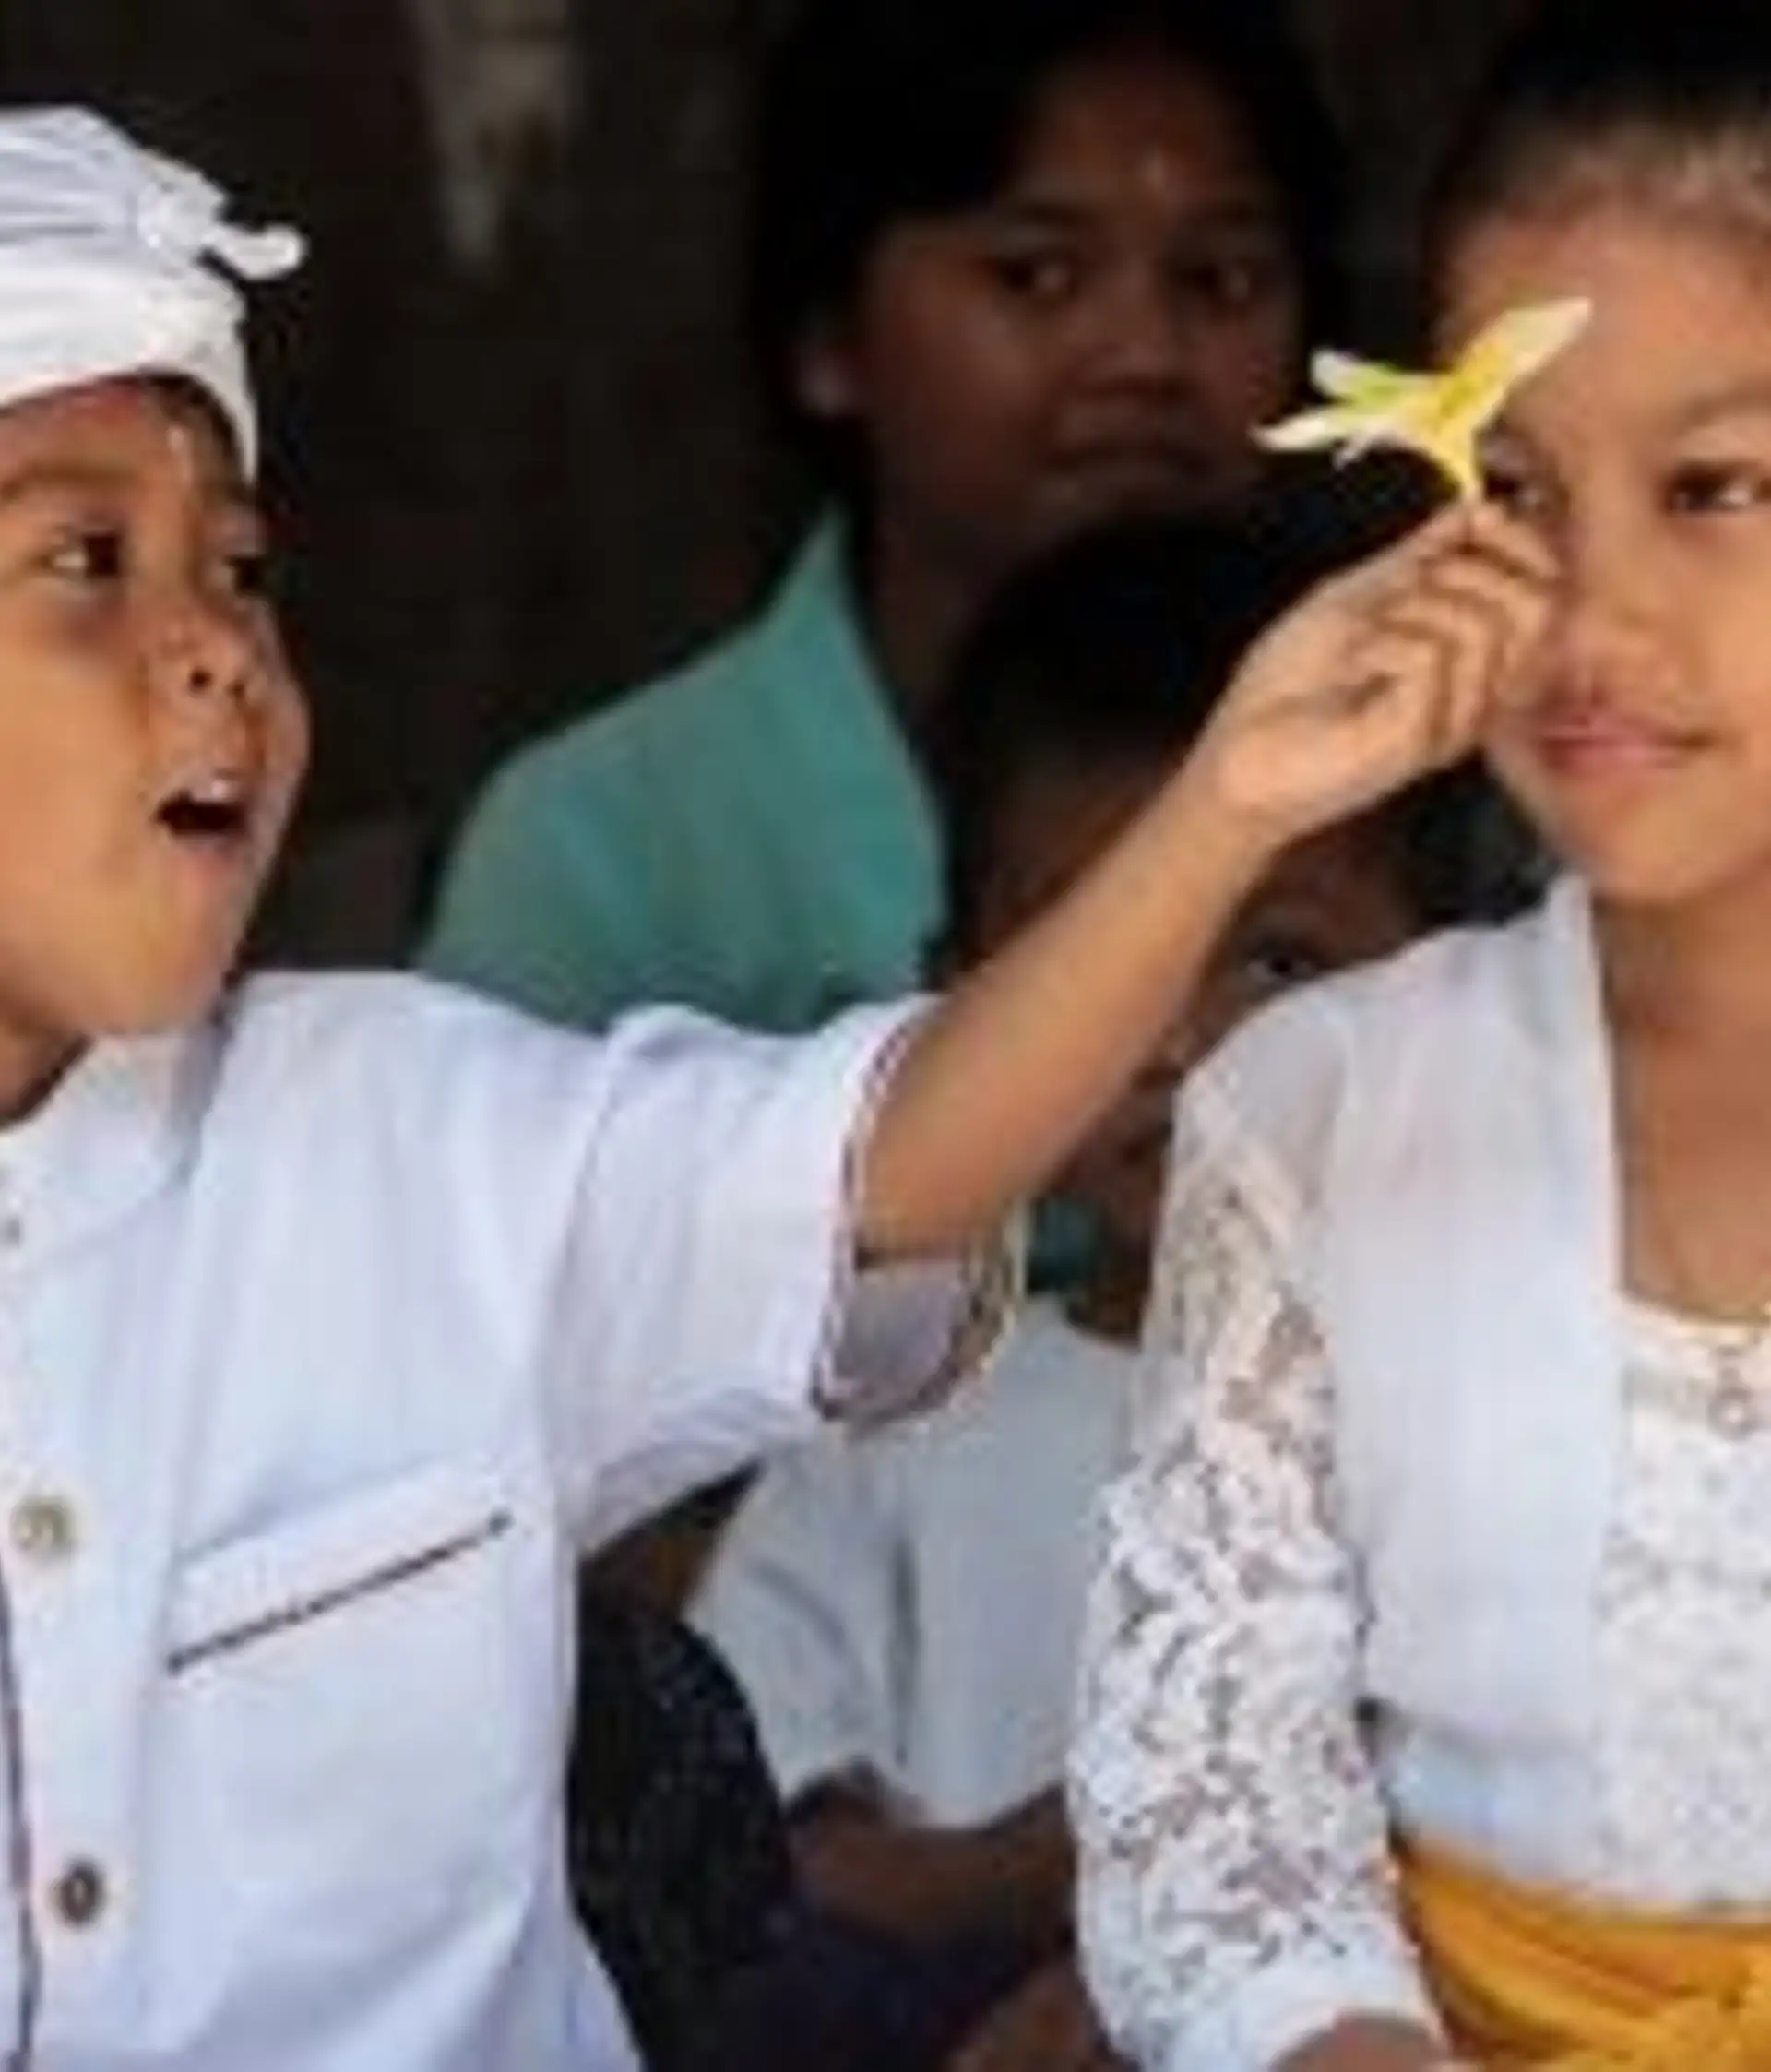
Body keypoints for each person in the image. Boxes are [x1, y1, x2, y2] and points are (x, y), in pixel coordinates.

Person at [0, 102, 1504, 2072]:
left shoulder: (424, 1143)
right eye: (85, 561)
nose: (212, 649)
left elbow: (896, 1161)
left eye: (246, 566)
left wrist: (1229, 806)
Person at [1068, 3, 1771, 2068]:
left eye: (1716, 483)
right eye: (1520, 486)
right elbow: (1222, 1816)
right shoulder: (1323, 1106)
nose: (1590, 613)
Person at [689, 505, 1478, 2072]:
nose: (1176, 1041)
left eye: (1275, 960)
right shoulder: (889, 1416)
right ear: (963, 991)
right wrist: (1080, 1867)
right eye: (1104, 952)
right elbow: (757, 1874)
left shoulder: (1504, 1405)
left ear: (1457, 988)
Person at [419, 0, 1343, 1033]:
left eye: (1222, 279)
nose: (1147, 356)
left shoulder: (1408, 780)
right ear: (828, 337)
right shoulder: (604, 849)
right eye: (1038, 274)